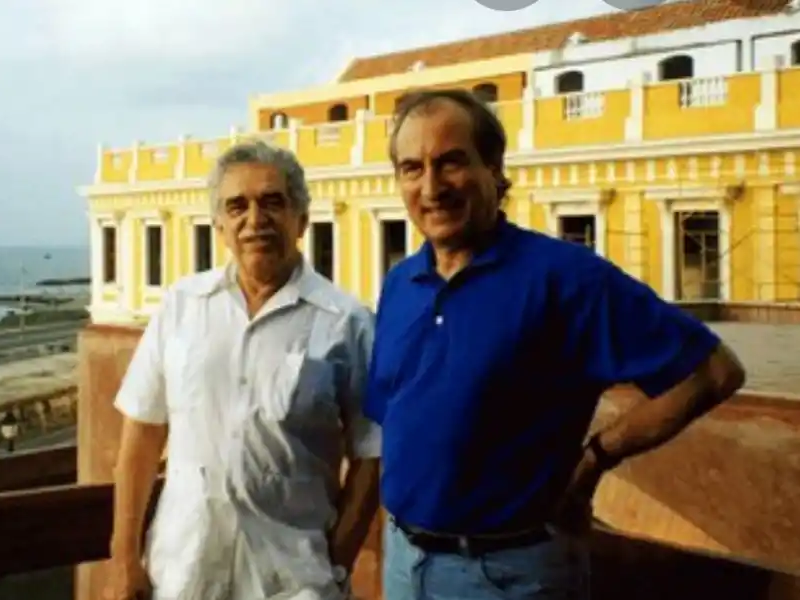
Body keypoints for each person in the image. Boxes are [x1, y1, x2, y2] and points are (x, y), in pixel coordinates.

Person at [363, 89, 746, 600]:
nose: (431, 187)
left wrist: (595, 459)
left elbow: (713, 373)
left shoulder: (564, 279)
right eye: (412, 168)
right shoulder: (401, 283)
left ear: (494, 170)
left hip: (507, 575)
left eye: (451, 162)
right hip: (404, 563)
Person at [104, 140, 382, 600]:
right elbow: (141, 435)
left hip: (294, 583)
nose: (255, 220)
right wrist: (124, 559)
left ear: (301, 218)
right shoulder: (181, 306)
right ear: (219, 224)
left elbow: (371, 454)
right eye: (237, 206)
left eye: (273, 202)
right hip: (182, 575)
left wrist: (335, 565)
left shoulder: (346, 322)